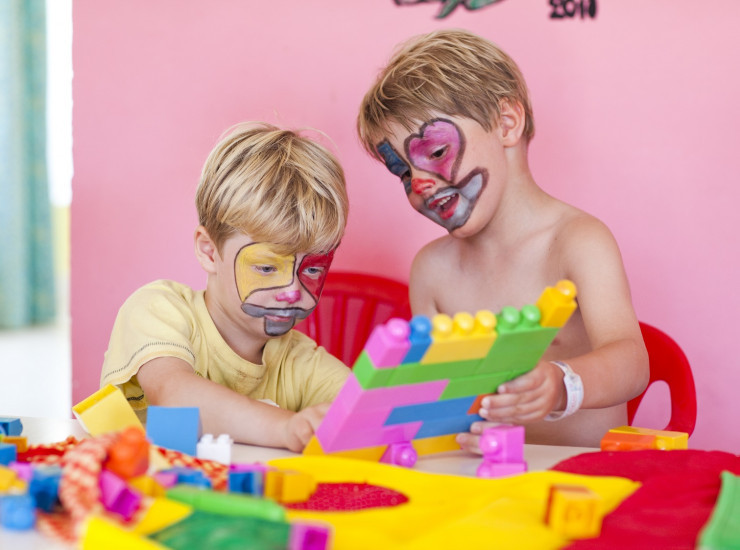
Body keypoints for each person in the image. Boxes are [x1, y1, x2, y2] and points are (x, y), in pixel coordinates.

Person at [357, 29, 649, 448]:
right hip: (478, 472)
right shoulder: (431, 270)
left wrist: (562, 383)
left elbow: (632, 362)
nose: (419, 184)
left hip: (579, 472)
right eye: (404, 173)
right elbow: (441, 396)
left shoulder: (578, 242)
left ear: (507, 123)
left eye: (435, 153)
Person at [100, 122, 350, 452]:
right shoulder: (158, 309)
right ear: (209, 251)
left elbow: (367, 414)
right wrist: (287, 427)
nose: (292, 290)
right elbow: (174, 396)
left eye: (312, 268)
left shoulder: (302, 362)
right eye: (266, 267)